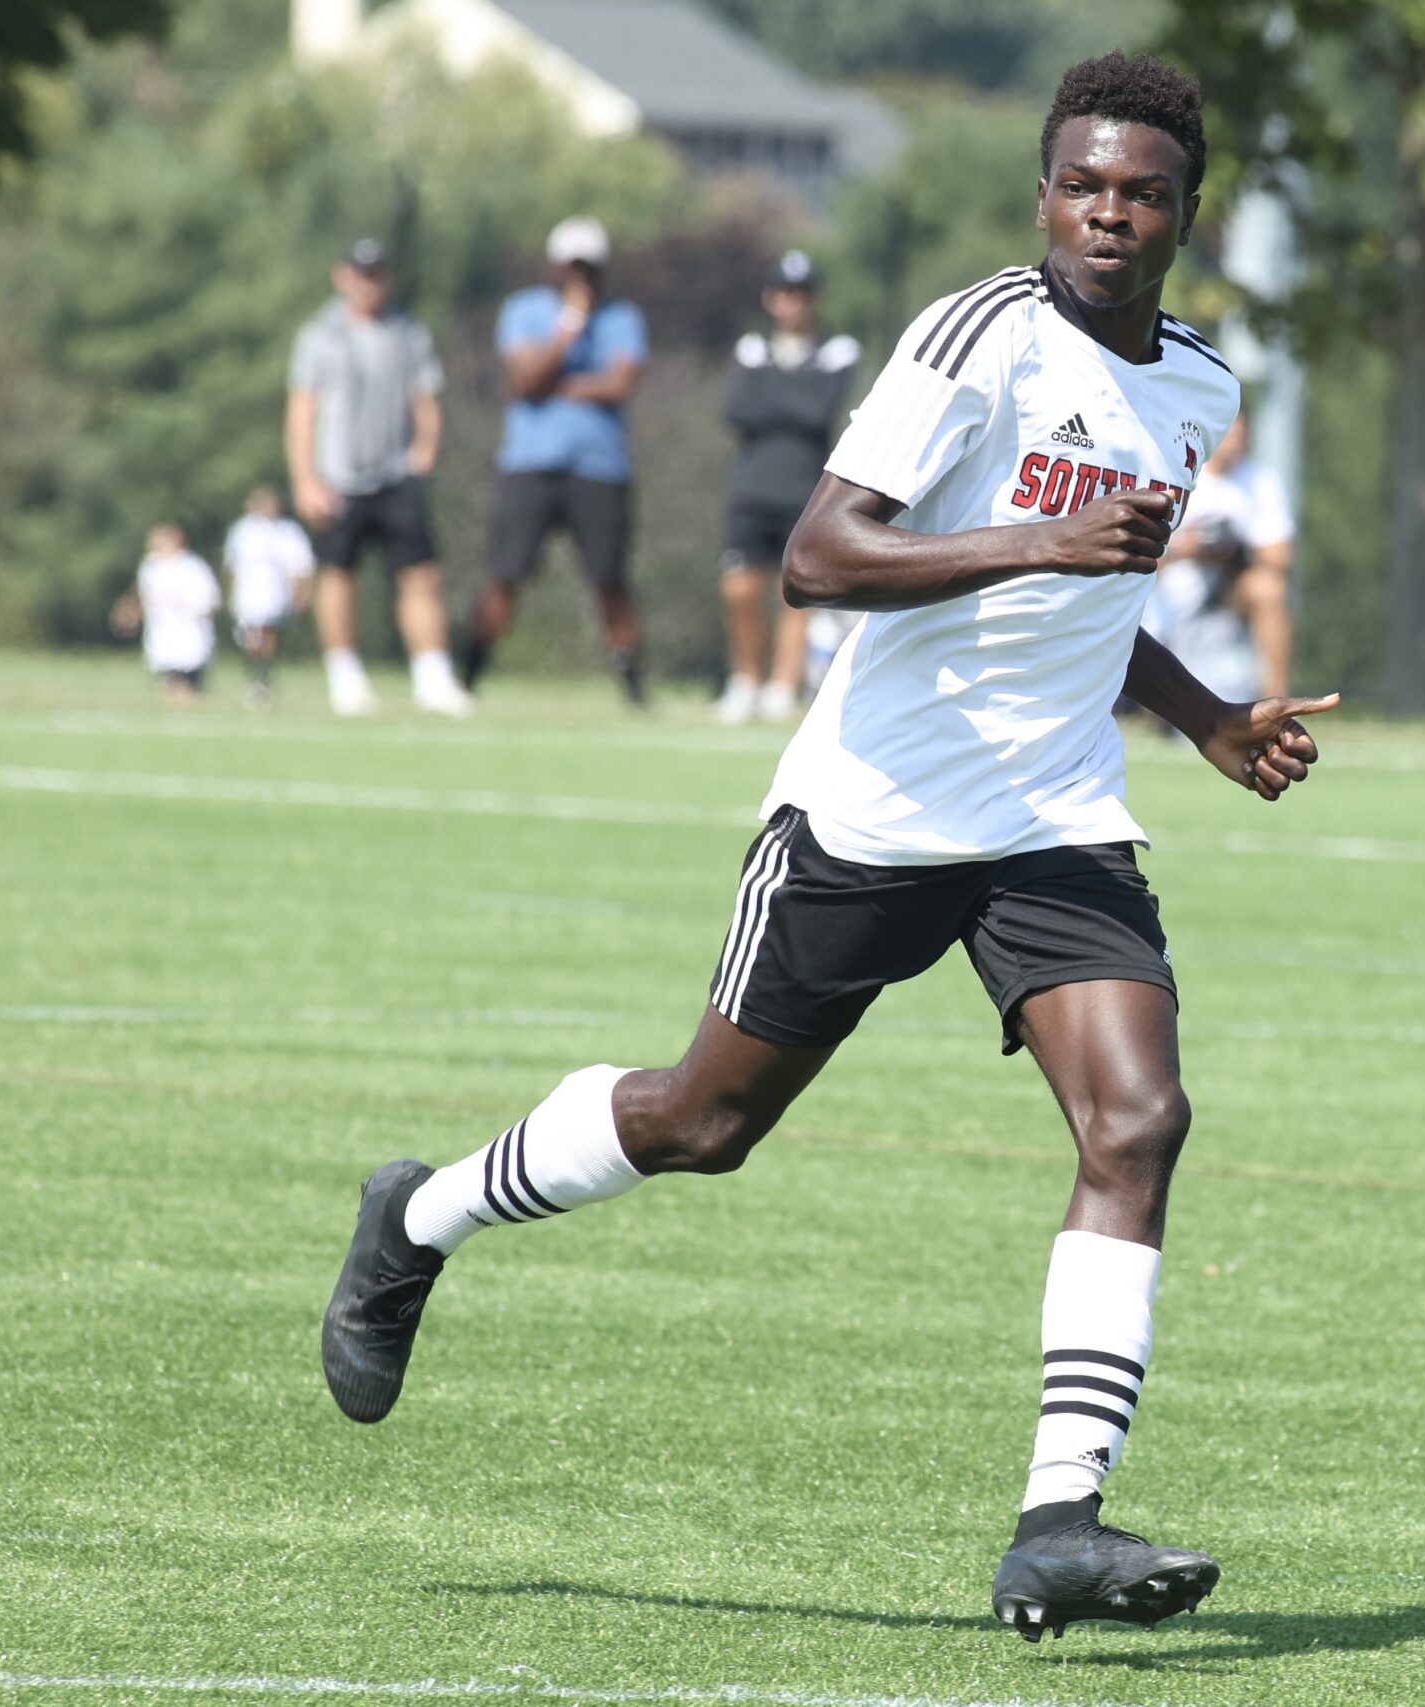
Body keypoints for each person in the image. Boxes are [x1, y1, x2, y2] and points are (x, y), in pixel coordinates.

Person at [322, 52, 1340, 1641]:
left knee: (1141, 1119)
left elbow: (1098, 603)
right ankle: (421, 1213)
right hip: (876, 807)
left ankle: (1057, 1522)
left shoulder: (1197, 386)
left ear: (1186, 215)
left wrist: (1206, 717)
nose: (1108, 214)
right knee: (705, 1120)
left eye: (1142, 194)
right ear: (1044, 197)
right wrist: (1041, 534)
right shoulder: (978, 336)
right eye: (1083, 186)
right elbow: (818, 553)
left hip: (1054, 816)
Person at [462, 218, 650, 705]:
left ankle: (633, 684)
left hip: (600, 467)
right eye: (571, 267)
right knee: (507, 573)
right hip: (530, 464)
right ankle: (469, 674)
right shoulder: (524, 310)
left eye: (587, 268)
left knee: (609, 580)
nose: (578, 277)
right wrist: (568, 330)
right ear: (553, 266)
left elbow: (620, 384)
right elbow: (526, 379)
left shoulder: (622, 317)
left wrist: (557, 387)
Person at [285, 238, 471, 718]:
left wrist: (425, 449)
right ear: (342, 276)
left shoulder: (408, 332)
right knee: (338, 575)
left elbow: (424, 397)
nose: (368, 284)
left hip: (395, 473)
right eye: (360, 273)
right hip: (338, 476)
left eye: (376, 274)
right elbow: (302, 409)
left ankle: (433, 676)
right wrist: (305, 479)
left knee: (421, 575)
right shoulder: (319, 335)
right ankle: (345, 677)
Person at [716, 250, 862, 723]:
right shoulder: (751, 348)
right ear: (769, 297)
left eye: (801, 293)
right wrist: (795, 393)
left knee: (794, 593)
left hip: (805, 489)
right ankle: (745, 681)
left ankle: (782, 685)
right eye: (784, 291)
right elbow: (738, 410)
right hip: (752, 488)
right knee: (739, 586)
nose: (791, 301)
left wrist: (773, 392)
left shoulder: (838, 350)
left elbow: (819, 412)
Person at [1168, 414, 1296, 698]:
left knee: (1269, 589)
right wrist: (1187, 546)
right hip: (1171, 584)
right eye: (1230, 435)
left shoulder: (1259, 480)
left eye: (1241, 435)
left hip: (1226, 589)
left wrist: (1229, 545)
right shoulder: (1178, 472)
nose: (1236, 443)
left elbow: (1280, 556)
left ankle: (1276, 702)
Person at [222, 486, 316, 706]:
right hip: (248, 590)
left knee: (267, 632)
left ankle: (263, 674)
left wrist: (300, 594)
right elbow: (231, 565)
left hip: (275, 591)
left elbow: (301, 566)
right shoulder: (242, 530)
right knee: (250, 634)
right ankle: (255, 671)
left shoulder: (288, 531)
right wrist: (230, 591)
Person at [129, 522, 221, 704]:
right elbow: (144, 595)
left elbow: (209, 599)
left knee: (189, 681)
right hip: (162, 632)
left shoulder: (193, 566)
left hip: (190, 632)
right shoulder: (151, 566)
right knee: (167, 679)